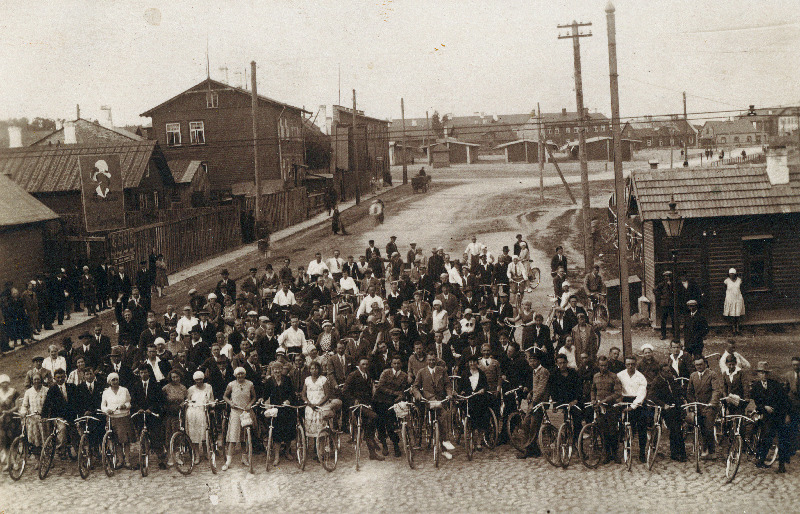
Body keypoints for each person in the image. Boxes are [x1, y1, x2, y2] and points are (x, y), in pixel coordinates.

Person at [411, 352, 456, 459]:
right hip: (428, 401)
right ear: (427, 360)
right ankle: (437, 440)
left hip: (441, 400)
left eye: (433, 360)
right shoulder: (421, 372)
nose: (431, 362)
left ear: (436, 360)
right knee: (436, 416)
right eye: (429, 360)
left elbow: (448, 385)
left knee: (444, 416)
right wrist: (418, 395)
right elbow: (415, 386)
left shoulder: (442, 370)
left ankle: (444, 446)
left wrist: (449, 394)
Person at [751, 361, 791, 473]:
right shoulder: (755, 387)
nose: (762, 375)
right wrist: (764, 407)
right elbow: (756, 403)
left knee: (782, 438)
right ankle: (761, 459)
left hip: (779, 415)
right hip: (767, 416)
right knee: (767, 435)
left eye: (764, 373)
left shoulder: (775, 385)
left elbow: (785, 400)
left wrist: (787, 415)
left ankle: (782, 465)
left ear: (767, 374)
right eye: (760, 373)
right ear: (758, 374)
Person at [130, 365, 167, 469]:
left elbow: (160, 400)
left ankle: (161, 459)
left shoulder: (155, 385)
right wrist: (139, 409)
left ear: (149, 373)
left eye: (145, 372)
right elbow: (133, 401)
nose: (143, 374)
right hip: (141, 415)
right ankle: (141, 460)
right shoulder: (136, 385)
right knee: (142, 437)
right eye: (141, 373)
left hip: (153, 415)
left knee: (156, 437)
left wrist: (152, 408)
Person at [302, 361, 340, 460]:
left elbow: (327, 394)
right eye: (311, 368)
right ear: (309, 370)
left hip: (321, 407)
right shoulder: (307, 380)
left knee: (322, 432)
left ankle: (322, 452)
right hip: (310, 408)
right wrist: (309, 403)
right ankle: (316, 451)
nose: (313, 370)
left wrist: (319, 404)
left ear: (319, 369)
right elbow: (303, 394)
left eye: (316, 368)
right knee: (314, 432)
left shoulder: (323, 379)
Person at [649, 363, 686, 461]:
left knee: (679, 428)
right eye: (666, 371)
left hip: (675, 406)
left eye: (670, 371)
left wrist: (683, 396)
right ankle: (676, 453)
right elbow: (652, 396)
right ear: (661, 372)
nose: (669, 373)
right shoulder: (656, 381)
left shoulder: (671, 379)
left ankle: (680, 452)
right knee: (675, 428)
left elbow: (677, 390)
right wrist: (663, 405)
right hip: (664, 408)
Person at [687, 356, 722, 460]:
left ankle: (711, 451)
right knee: (699, 427)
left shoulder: (712, 375)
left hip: (709, 406)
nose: (699, 367)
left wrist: (712, 402)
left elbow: (716, 390)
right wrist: (692, 402)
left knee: (708, 427)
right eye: (697, 365)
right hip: (698, 405)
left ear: (705, 364)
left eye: (701, 364)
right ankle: (703, 448)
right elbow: (689, 391)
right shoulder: (693, 376)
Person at [517, 350, 550, 459]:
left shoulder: (543, 371)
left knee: (533, 424)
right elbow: (535, 388)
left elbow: (541, 389)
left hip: (541, 403)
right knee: (526, 423)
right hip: (535, 401)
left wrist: (533, 401)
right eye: (530, 361)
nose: (531, 363)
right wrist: (531, 393)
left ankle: (529, 449)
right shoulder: (534, 371)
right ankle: (533, 448)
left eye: (533, 360)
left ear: (538, 361)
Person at [222, 367, 256, 470]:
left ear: (245, 374)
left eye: (242, 374)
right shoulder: (231, 384)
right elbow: (225, 396)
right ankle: (228, 461)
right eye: (238, 374)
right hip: (236, 412)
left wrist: (250, 404)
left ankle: (244, 458)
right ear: (235, 375)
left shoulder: (250, 384)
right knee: (233, 437)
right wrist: (231, 403)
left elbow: (254, 397)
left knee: (245, 436)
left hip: (246, 411)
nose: (240, 376)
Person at [373, 355, 408, 457]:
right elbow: (380, 387)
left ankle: (395, 445)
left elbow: (402, 389)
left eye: (398, 363)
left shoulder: (404, 376)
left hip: (392, 403)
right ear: (391, 364)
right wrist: (394, 393)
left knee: (391, 424)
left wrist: (400, 395)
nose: (396, 365)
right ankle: (384, 444)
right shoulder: (386, 372)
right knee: (380, 423)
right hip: (379, 401)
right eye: (394, 363)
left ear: (401, 364)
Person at [263, 361, 296, 464]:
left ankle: (287, 452)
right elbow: (265, 395)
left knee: (289, 432)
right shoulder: (269, 381)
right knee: (276, 434)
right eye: (274, 369)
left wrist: (288, 401)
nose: (277, 371)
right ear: (272, 371)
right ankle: (276, 456)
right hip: (276, 410)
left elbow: (292, 393)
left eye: (279, 369)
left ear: (282, 370)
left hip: (286, 409)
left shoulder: (287, 379)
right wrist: (263, 400)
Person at [617, 355, 648, 463]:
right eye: (628, 364)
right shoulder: (620, 375)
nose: (630, 366)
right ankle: (626, 447)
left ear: (635, 365)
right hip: (624, 400)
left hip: (637, 402)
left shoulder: (641, 377)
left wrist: (633, 406)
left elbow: (641, 394)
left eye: (632, 364)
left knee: (641, 427)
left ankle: (642, 452)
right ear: (625, 364)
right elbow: (617, 389)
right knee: (624, 424)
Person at [591, 356, 622, 462]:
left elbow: (618, 392)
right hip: (599, 407)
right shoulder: (595, 376)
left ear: (607, 365)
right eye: (601, 365)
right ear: (598, 365)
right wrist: (593, 400)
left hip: (611, 407)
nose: (602, 367)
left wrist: (607, 400)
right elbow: (593, 390)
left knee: (613, 431)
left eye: (604, 365)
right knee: (603, 431)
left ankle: (615, 453)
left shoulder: (614, 377)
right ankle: (607, 453)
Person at [101, 372, 135, 468]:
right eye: (113, 380)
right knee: (116, 440)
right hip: (113, 418)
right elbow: (103, 406)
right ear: (109, 382)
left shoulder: (124, 390)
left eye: (116, 379)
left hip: (124, 417)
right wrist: (107, 410)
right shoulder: (106, 392)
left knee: (126, 440)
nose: (115, 382)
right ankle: (120, 460)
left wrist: (125, 406)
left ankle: (127, 460)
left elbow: (129, 403)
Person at [459, 355, 491, 451]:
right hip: (469, 399)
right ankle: (471, 441)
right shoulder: (465, 374)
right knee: (470, 419)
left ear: (477, 363)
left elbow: (486, 386)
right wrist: (462, 392)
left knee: (482, 418)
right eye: (470, 362)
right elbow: (460, 387)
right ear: (468, 364)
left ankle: (479, 442)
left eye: (474, 362)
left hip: (480, 399)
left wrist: (482, 390)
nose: (472, 364)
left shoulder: (481, 374)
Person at [186, 370, 214, 464]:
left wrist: (211, 405)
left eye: (200, 379)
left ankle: (206, 453)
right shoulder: (191, 389)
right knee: (194, 434)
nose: (199, 381)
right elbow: (188, 401)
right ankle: (197, 455)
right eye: (197, 380)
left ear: (203, 379)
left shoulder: (208, 387)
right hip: (193, 413)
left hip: (204, 412)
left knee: (204, 433)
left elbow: (211, 400)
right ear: (194, 380)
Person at [162, 370, 188, 467]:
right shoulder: (166, 388)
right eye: (173, 377)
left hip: (180, 414)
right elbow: (162, 401)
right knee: (169, 434)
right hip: (169, 414)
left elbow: (186, 399)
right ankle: (170, 456)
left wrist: (183, 404)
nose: (175, 379)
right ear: (170, 378)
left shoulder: (183, 388)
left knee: (178, 434)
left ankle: (177, 455)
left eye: (177, 377)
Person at [0, 375, 19, 470]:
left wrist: (8, 412)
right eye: (3, 382)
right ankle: (8, 463)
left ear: (9, 383)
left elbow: (17, 406)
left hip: (13, 419)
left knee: (13, 442)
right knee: (5, 442)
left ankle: (15, 462)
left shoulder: (13, 392)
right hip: (2, 421)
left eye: (6, 382)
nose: (4, 384)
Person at [654, 271, 676, 341]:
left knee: (674, 319)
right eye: (666, 276)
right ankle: (663, 334)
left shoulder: (674, 284)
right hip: (664, 304)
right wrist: (661, 296)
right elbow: (655, 290)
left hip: (672, 304)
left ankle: (675, 334)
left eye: (669, 276)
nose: (667, 277)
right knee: (663, 320)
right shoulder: (662, 284)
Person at [723, 268, 745, 335]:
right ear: (728, 274)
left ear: (735, 274)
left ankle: (737, 328)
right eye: (730, 274)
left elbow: (742, 289)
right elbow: (724, 290)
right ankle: (733, 328)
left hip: (738, 298)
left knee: (737, 314)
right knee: (732, 315)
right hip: (730, 299)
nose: (731, 275)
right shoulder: (726, 281)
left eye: (733, 274)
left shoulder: (739, 280)